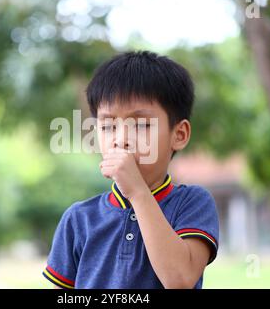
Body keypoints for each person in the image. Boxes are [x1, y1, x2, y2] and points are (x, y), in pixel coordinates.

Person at [42, 51, 219, 289]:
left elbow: (179, 279)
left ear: (179, 135)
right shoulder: (78, 219)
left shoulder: (192, 203)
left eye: (142, 125)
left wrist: (137, 192)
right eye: (108, 126)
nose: (121, 139)